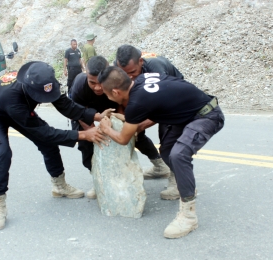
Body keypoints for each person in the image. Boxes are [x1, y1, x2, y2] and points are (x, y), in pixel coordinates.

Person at [0, 61, 112, 231]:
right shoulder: (12, 97)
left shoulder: (43, 81)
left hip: (19, 109)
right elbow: (45, 132)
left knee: (48, 144)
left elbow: (65, 105)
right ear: (30, 89)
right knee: (1, 152)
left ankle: (59, 185)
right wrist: (83, 134)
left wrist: (96, 116)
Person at [98, 66, 225, 238]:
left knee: (178, 154)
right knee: (167, 151)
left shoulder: (136, 102)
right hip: (188, 113)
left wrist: (106, 129)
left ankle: (189, 216)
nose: (107, 97)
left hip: (207, 115)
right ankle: (186, 185)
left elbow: (123, 139)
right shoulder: (141, 82)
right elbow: (157, 105)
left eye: (107, 94)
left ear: (115, 91)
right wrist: (132, 121)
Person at [70, 55, 170, 199]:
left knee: (135, 136)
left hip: (112, 107)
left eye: (100, 83)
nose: (97, 87)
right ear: (86, 74)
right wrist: (92, 131)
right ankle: (99, 180)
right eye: (92, 83)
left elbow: (123, 104)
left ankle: (159, 165)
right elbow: (78, 112)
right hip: (87, 114)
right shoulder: (80, 84)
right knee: (87, 144)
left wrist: (125, 126)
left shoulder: (115, 80)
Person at [115, 44, 185, 200]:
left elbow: (164, 104)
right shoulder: (118, 68)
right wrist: (127, 121)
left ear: (141, 61)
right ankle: (160, 168)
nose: (130, 78)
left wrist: (142, 124)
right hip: (144, 95)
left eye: (132, 72)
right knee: (134, 134)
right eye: (125, 74)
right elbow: (121, 96)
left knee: (168, 140)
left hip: (173, 100)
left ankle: (178, 182)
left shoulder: (155, 67)